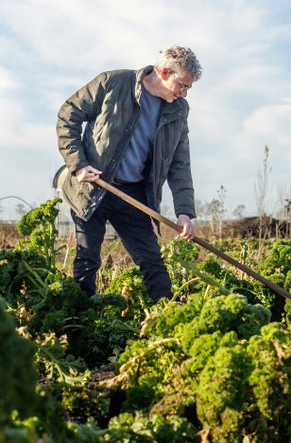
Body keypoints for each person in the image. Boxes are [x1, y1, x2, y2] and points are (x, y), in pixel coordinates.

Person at [54, 45, 202, 302]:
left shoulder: (178, 110)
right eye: (182, 85)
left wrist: (184, 212)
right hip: (94, 186)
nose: (184, 94)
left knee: (152, 261)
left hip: (132, 194)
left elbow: (180, 162)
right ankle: (80, 325)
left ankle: (168, 315)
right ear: (165, 72)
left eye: (188, 88)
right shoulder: (114, 82)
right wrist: (78, 164)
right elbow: (68, 115)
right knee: (87, 261)